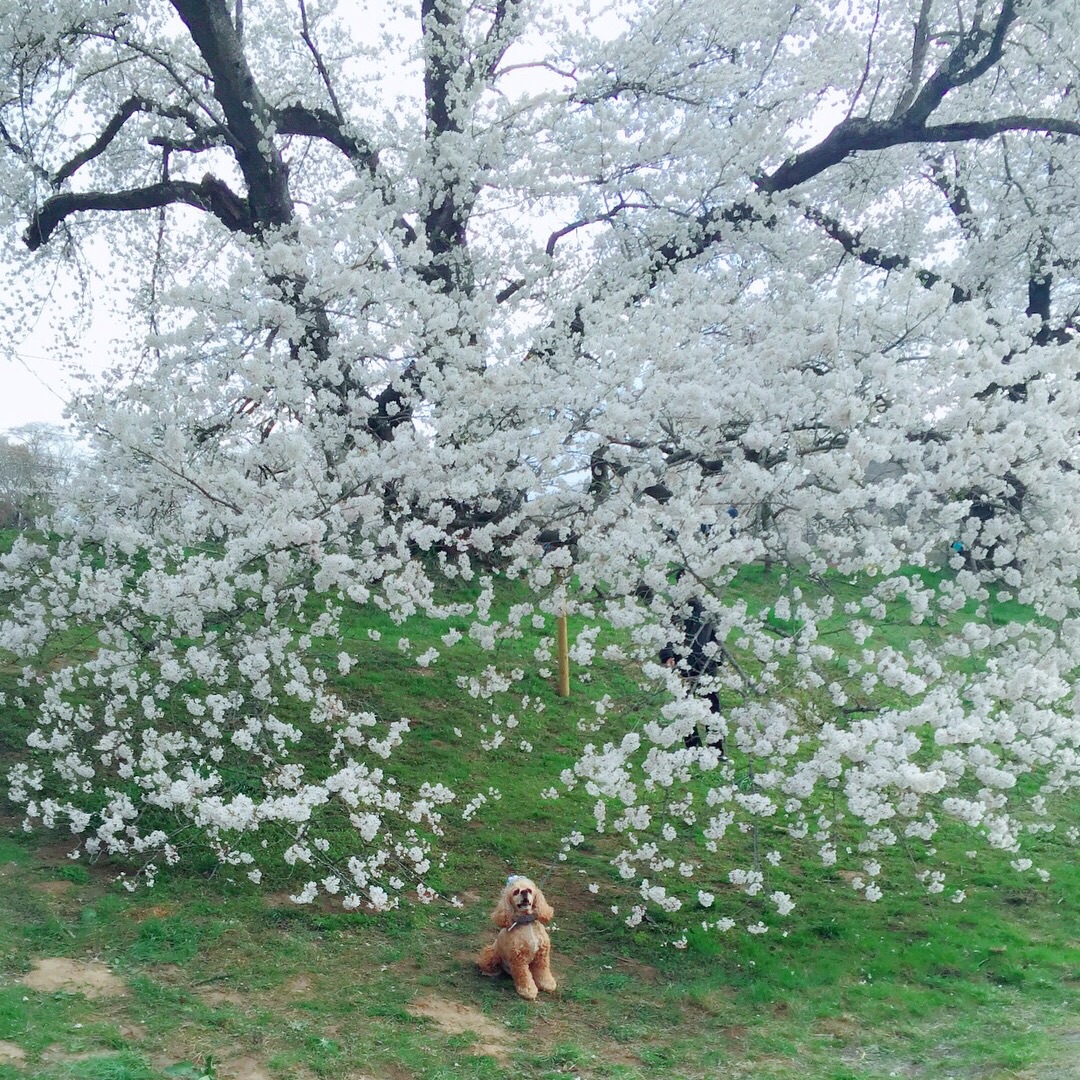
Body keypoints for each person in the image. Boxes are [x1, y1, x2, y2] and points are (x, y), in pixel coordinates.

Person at [660, 598, 725, 753]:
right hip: (681, 664)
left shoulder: (708, 607)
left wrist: (717, 658)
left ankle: (716, 749)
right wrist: (667, 655)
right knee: (684, 705)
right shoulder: (674, 607)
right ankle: (693, 747)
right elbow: (665, 633)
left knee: (713, 706)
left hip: (705, 664)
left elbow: (716, 634)